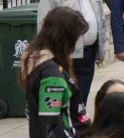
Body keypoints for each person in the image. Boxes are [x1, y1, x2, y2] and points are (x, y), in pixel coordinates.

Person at [36, 0, 106, 104]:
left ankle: (79, 126)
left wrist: (101, 49)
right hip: (65, 54)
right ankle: (66, 127)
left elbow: (100, 19)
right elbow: (43, 25)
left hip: (88, 53)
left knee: (83, 96)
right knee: (66, 97)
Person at [21, 7, 91, 138]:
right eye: (75, 37)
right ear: (63, 37)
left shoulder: (42, 63)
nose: (77, 41)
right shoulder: (51, 73)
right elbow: (49, 123)